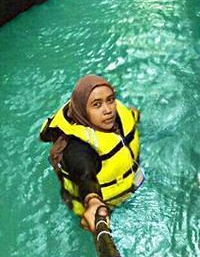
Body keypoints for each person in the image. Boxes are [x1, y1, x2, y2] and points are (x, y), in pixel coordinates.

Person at [39, 74, 143, 232]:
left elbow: (130, 116)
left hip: (130, 188)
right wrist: (93, 202)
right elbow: (84, 175)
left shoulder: (117, 115)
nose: (108, 110)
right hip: (102, 209)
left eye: (110, 100)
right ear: (83, 111)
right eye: (97, 105)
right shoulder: (75, 148)